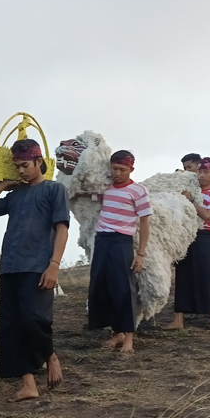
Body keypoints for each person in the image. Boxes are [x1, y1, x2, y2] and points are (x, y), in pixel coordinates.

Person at [0, 139, 69, 402]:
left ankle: (49, 355)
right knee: (11, 327)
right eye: (17, 166)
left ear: (40, 161)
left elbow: (62, 229)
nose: (22, 171)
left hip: (38, 267)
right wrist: (4, 185)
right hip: (10, 267)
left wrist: (54, 265)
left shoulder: (54, 189)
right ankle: (28, 384)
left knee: (34, 320)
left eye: (26, 165)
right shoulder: (15, 196)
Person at [87, 150, 152, 353]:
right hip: (102, 241)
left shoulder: (139, 191)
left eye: (122, 169)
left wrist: (140, 254)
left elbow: (144, 223)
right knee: (102, 286)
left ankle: (129, 339)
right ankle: (117, 333)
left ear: (131, 169)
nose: (117, 173)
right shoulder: (105, 189)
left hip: (121, 242)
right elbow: (84, 195)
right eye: (114, 168)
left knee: (123, 288)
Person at [164, 157, 210, 330]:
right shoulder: (189, 190)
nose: (202, 176)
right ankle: (178, 320)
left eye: (207, 172)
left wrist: (190, 201)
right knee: (182, 276)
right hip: (185, 236)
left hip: (205, 236)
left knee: (209, 275)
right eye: (199, 171)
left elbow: (207, 215)